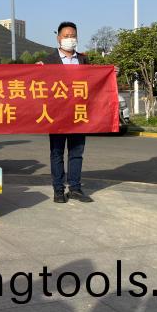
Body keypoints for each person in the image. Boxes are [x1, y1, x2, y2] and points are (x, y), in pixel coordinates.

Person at [40, 22, 93, 203]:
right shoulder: (49, 61)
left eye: (73, 36)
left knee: (76, 152)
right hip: (57, 114)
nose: (70, 39)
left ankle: (75, 188)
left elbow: (93, 81)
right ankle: (58, 190)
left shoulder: (83, 60)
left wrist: (110, 73)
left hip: (78, 113)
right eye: (66, 36)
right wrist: (35, 70)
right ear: (58, 38)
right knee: (57, 152)